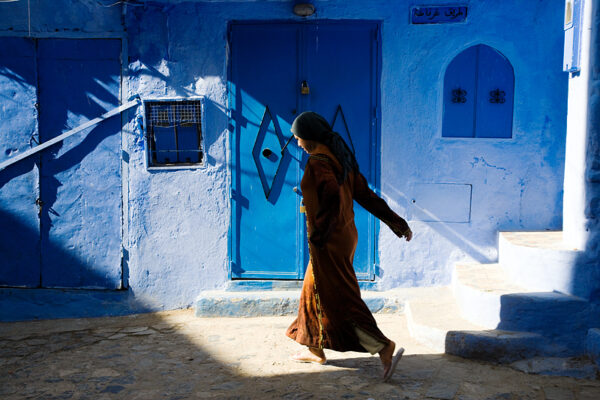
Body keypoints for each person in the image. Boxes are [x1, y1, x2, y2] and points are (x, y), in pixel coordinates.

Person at [285, 111, 413, 382]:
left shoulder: (319, 164)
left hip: (329, 240)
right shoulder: (340, 159)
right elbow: (365, 195)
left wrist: (318, 237)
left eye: (298, 137)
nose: (296, 142)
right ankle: (315, 349)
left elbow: (330, 204)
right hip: (343, 236)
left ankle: (383, 346)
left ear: (310, 137)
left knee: (341, 297)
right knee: (311, 291)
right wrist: (397, 223)